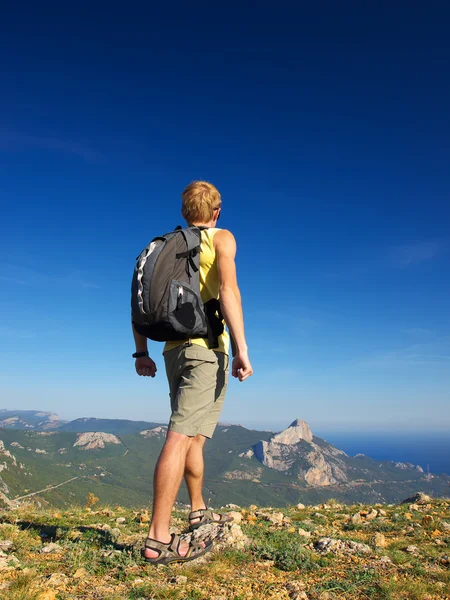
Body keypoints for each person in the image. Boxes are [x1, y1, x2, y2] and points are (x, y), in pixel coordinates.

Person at [132, 181, 253, 564]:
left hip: (172, 351)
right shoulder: (221, 238)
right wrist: (243, 350)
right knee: (181, 435)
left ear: (185, 212)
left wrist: (141, 352)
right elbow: (229, 290)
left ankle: (197, 509)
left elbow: (139, 299)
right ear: (216, 211)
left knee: (195, 436)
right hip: (206, 351)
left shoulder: (165, 246)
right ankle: (157, 539)